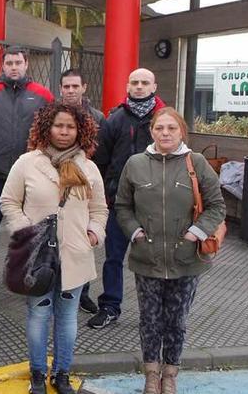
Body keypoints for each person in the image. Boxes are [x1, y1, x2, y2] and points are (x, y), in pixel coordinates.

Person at [114, 107, 225, 394]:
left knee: (176, 321)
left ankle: (171, 374)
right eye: (159, 128)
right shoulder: (135, 164)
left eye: (171, 128)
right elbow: (123, 206)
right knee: (149, 320)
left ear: (181, 132)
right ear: (151, 131)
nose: (165, 133)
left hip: (186, 259)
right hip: (146, 258)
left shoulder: (197, 163)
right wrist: (135, 232)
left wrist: (195, 233)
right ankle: (151, 374)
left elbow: (216, 205)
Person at [0, 102, 108, 394]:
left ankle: (62, 374)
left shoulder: (89, 167)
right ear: (47, 127)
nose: (64, 131)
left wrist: (94, 233)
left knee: (68, 318)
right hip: (36, 256)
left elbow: (100, 209)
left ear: (80, 130)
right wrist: (25, 230)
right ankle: (37, 372)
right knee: (38, 315)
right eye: (58, 125)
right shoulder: (26, 162)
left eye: (70, 126)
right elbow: (8, 201)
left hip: (75, 254)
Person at [87, 68, 166, 330]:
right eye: (135, 82)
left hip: (155, 204)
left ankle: (157, 311)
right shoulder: (115, 119)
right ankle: (110, 306)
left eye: (145, 82)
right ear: (127, 86)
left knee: (155, 259)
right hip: (119, 203)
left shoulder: (165, 119)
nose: (140, 87)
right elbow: (102, 161)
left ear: (154, 87)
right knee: (113, 258)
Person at [0, 47, 54, 290]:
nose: (13, 67)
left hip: (31, 173)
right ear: (3, 65)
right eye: (9, 62)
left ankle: (30, 273)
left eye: (18, 62)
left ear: (26, 64)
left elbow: (51, 129)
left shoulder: (42, 94)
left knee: (31, 226)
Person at [57, 68, 104, 314]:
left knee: (81, 242)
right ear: (61, 88)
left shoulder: (97, 117)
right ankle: (46, 284)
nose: (71, 90)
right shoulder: (50, 114)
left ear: (84, 87)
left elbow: (102, 154)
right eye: (67, 86)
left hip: (85, 185)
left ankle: (81, 292)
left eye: (75, 86)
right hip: (54, 183)